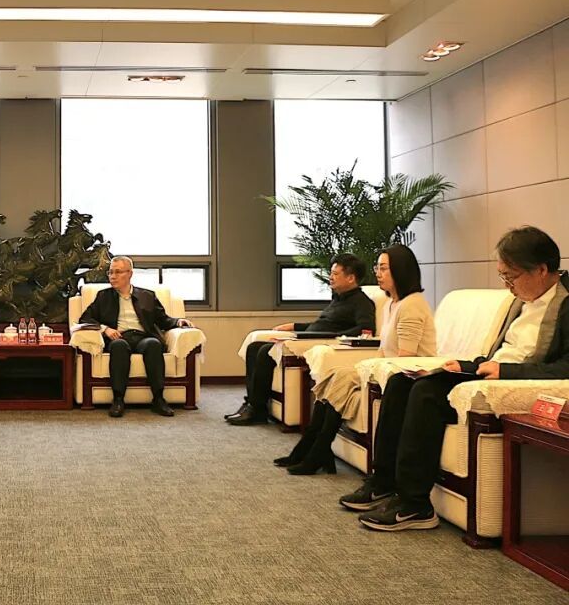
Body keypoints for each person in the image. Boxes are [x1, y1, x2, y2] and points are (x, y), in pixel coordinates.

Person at [343, 226, 569, 531]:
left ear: (541, 270)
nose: (507, 286)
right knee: (400, 381)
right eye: (503, 277)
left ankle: (415, 505)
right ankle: (383, 481)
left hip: (511, 384)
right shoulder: (521, 302)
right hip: (492, 374)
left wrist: (506, 372)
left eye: (511, 277)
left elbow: (564, 367)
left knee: (426, 392)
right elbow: (499, 355)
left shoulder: (565, 305)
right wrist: (462, 365)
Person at [278, 244, 436, 475]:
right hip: (385, 367)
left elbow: (406, 358)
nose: (377, 273)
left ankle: (316, 452)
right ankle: (313, 450)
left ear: (401, 270)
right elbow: (385, 350)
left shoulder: (412, 305)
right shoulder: (392, 304)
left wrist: (369, 369)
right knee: (334, 377)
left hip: (406, 375)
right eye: (377, 268)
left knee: (341, 379)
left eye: (383, 268)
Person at [227, 253, 375, 426]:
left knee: (265, 351)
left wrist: (335, 337)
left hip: (323, 344)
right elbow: (322, 324)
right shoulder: (338, 299)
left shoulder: (361, 302)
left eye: (335, 274)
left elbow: (366, 329)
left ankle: (257, 409)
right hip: (310, 339)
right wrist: (294, 326)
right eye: (331, 273)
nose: (330, 277)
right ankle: (252, 403)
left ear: (351, 278)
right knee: (254, 347)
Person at [77, 256, 195, 418]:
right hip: (119, 337)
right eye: (110, 272)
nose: (112, 276)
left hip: (142, 337)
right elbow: (85, 318)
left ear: (130, 274)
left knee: (153, 344)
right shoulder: (103, 296)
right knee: (118, 346)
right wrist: (105, 329)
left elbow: (163, 320)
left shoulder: (147, 296)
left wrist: (178, 321)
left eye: (118, 272)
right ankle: (118, 400)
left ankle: (159, 399)